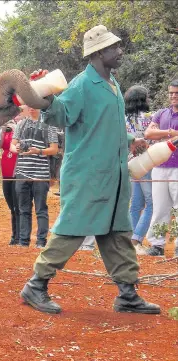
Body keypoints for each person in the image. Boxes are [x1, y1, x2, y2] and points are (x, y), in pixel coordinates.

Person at [20, 25, 160, 315]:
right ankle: (36, 285)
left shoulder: (113, 84)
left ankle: (127, 294)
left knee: (117, 231)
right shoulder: (83, 84)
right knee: (73, 228)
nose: (120, 51)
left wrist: (133, 140)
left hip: (113, 174)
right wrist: (44, 94)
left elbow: (102, 126)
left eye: (118, 46)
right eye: (113, 48)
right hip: (88, 175)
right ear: (98, 53)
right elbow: (60, 114)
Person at [10, 106, 59, 248]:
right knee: (23, 208)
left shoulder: (48, 124)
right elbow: (12, 146)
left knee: (40, 209)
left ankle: (41, 241)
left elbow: (54, 149)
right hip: (22, 172)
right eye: (29, 106)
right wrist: (17, 149)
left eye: (34, 106)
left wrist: (38, 151)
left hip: (40, 174)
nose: (31, 109)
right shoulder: (21, 124)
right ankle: (23, 241)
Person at [144, 79, 178, 256]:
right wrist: (169, 133)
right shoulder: (161, 113)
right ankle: (157, 245)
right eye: (171, 92)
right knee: (159, 207)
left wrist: (166, 134)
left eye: (176, 93)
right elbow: (149, 133)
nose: (173, 96)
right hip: (159, 165)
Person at [124, 85, 154, 254]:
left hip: (130, 163)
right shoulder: (150, 117)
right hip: (148, 162)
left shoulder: (123, 118)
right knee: (151, 203)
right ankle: (136, 238)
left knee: (135, 204)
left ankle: (132, 242)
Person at [1, 119, 20, 245]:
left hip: (17, 172)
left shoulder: (24, 126)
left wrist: (17, 128)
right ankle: (15, 234)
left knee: (17, 206)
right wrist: (2, 130)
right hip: (5, 173)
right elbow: (0, 145)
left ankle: (18, 236)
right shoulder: (7, 128)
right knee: (11, 206)